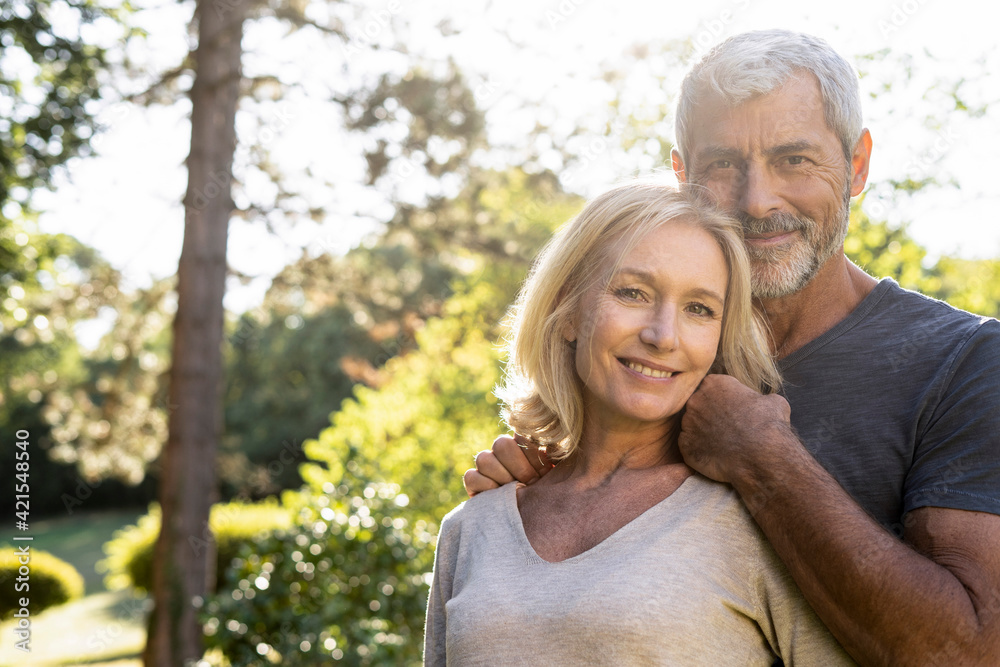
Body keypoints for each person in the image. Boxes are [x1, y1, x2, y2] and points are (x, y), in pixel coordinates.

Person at [466, 30, 1000, 665]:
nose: (757, 201)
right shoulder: (651, 356)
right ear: (682, 176)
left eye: (794, 160)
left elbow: (970, 651)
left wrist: (764, 461)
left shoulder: (965, 363)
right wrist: (550, 492)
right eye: (722, 164)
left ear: (857, 165)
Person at [424, 182, 855, 665]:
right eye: (632, 293)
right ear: (568, 312)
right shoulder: (472, 528)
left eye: (699, 309)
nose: (663, 336)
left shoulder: (759, 523)